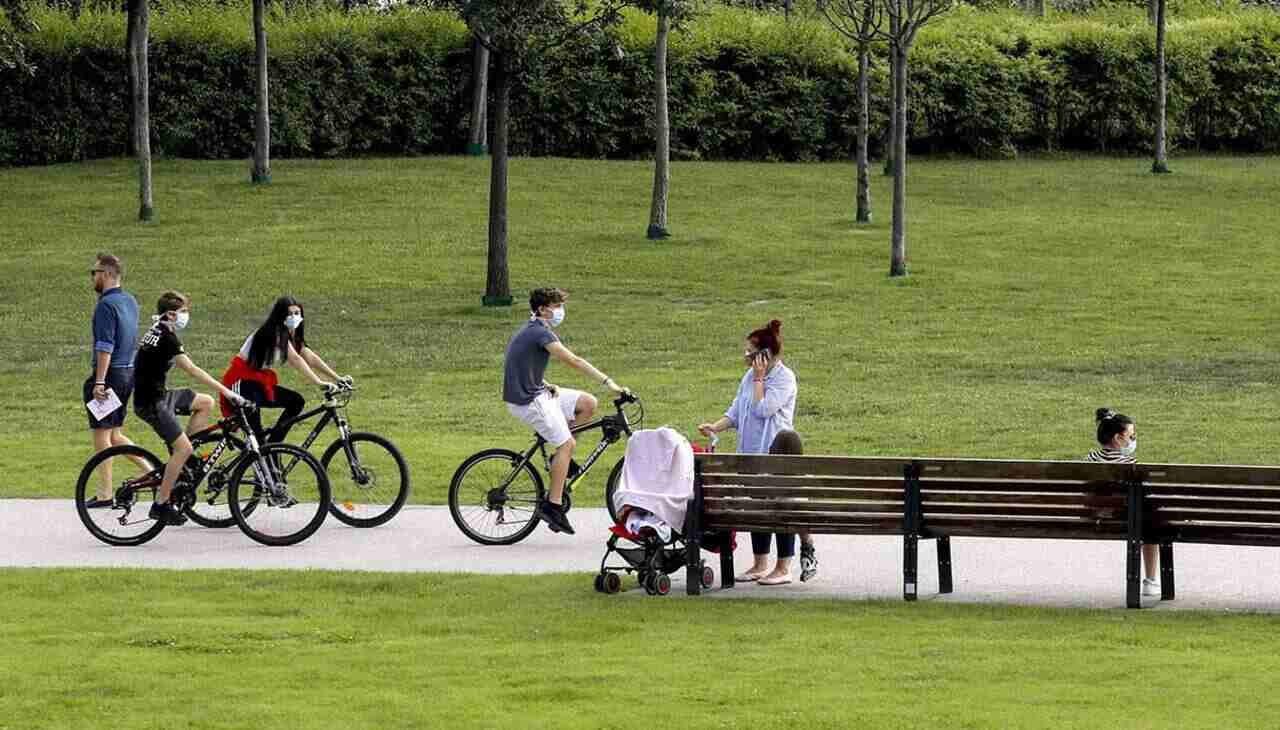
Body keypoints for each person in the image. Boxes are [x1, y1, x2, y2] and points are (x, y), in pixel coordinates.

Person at [697, 319, 817, 585]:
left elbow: (764, 410)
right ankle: (760, 563)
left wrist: (760, 378)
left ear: (766, 354)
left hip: (776, 452)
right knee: (755, 505)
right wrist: (715, 426)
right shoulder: (748, 377)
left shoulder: (784, 379)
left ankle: (783, 567)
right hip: (749, 453)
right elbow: (738, 410)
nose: (745, 356)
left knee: (779, 507)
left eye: (750, 351)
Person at [503, 287, 628, 536]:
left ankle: (559, 460)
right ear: (542, 309)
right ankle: (553, 505)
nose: (560, 311)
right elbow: (574, 361)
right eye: (556, 306)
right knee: (567, 444)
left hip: (538, 391)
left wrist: (544, 383)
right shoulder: (539, 332)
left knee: (588, 403)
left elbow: (521, 362)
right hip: (527, 400)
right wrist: (609, 384)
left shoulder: (536, 329)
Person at [133, 291, 249, 525]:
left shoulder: (160, 330)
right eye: (184, 312)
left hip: (161, 395)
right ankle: (161, 505)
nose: (187, 316)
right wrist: (227, 392)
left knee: (205, 403)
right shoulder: (167, 337)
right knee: (182, 449)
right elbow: (193, 370)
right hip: (151, 403)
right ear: (171, 314)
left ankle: (185, 460)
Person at [220, 296, 341, 443]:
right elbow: (295, 359)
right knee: (257, 437)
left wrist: (338, 378)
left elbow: (310, 357)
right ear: (280, 315)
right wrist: (319, 382)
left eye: (297, 313)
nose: (294, 317)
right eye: (289, 314)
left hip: (257, 382)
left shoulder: (291, 334)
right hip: (241, 382)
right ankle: (266, 453)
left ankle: (275, 446)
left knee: (296, 401)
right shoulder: (274, 332)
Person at [83, 253, 142, 508]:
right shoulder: (130, 301)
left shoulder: (105, 306)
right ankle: (153, 470)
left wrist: (99, 382)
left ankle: (105, 493)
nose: (93, 277)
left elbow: (105, 346)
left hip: (110, 377)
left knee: (102, 434)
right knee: (115, 434)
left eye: (94, 272)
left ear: (106, 274)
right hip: (127, 373)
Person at [1088, 407, 1159, 596]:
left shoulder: (1088, 461)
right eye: (1131, 436)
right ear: (1118, 438)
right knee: (1152, 526)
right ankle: (1150, 580)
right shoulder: (1129, 466)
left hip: (1094, 518)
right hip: (1127, 521)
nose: (1133, 440)